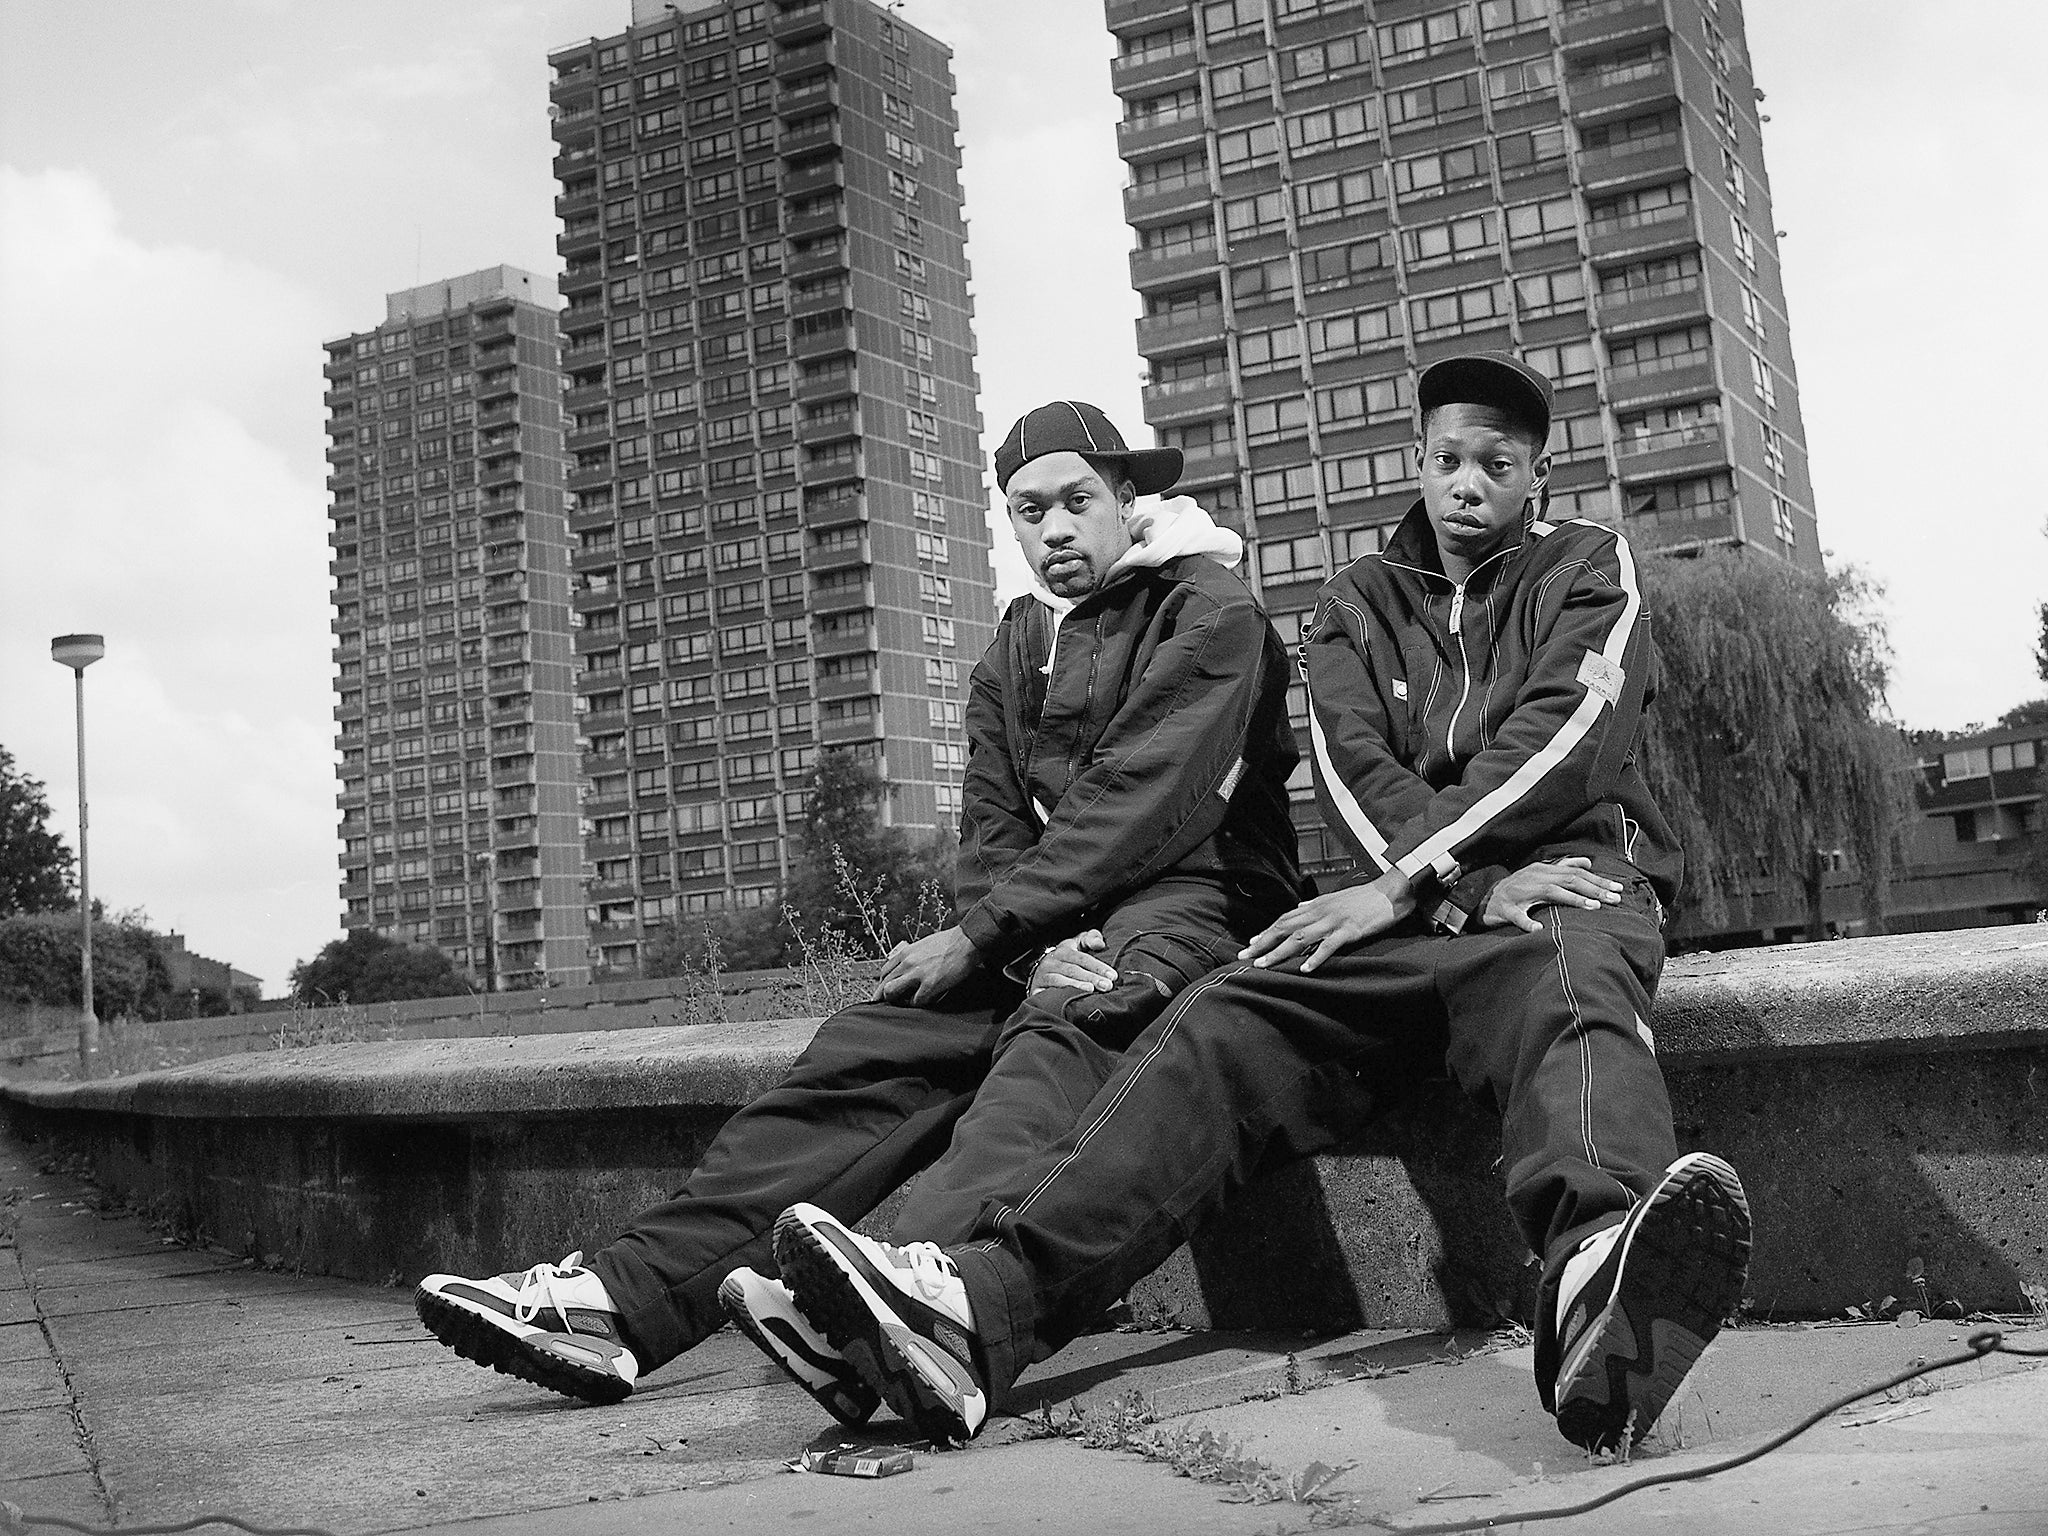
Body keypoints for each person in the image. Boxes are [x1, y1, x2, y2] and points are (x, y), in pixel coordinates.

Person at [772, 352, 1754, 1457]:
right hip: (1408, 906)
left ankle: (1594, 1275)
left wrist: (1438, 882)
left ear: (1536, 474)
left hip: (1558, 879)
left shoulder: (1587, 563)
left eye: (1496, 465)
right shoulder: (1354, 600)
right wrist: (1441, 884)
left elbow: (1565, 742)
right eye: (1446, 460)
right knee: (1226, 1014)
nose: (1467, 484)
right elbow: (1349, 771)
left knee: (1570, 974)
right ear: (1417, 463)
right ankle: (978, 1309)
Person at [414, 400, 1302, 1425]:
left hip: (1199, 899)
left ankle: (884, 1303)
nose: (1053, 531)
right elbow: (993, 834)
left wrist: (992, 937)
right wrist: (1013, 946)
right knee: (875, 1041)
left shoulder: (1208, 605)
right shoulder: (1015, 646)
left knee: (1074, 1021)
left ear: (1126, 501)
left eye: (1076, 502)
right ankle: (622, 1301)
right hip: (1048, 916)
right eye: (1026, 511)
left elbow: (1143, 797)